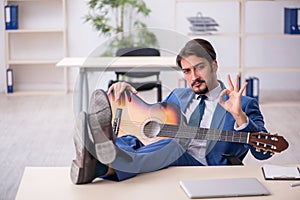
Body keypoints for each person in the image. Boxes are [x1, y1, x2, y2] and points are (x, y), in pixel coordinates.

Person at [70, 38, 272, 184]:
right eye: (187, 71)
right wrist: (124, 99)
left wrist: (240, 117)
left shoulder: (244, 103)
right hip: (167, 153)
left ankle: (100, 160)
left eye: (199, 67)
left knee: (174, 145)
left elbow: (263, 154)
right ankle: (97, 159)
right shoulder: (179, 95)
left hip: (205, 166)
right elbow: (151, 119)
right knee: (133, 140)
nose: (194, 76)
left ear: (214, 65)